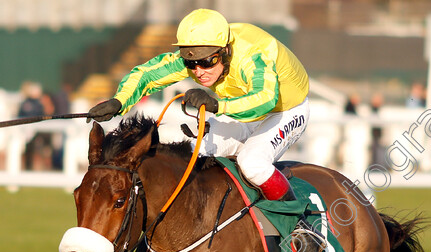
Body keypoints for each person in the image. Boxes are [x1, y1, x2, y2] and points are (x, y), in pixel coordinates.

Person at [87, 8, 310, 202]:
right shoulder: (201, 50)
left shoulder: (255, 52)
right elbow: (148, 74)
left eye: (207, 62)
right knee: (193, 158)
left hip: (284, 111)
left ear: (225, 50)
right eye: (191, 63)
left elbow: (265, 98)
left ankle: (300, 227)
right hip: (235, 108)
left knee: (251, 163)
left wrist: (217, 106)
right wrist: (119, 101)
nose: (198, 71)